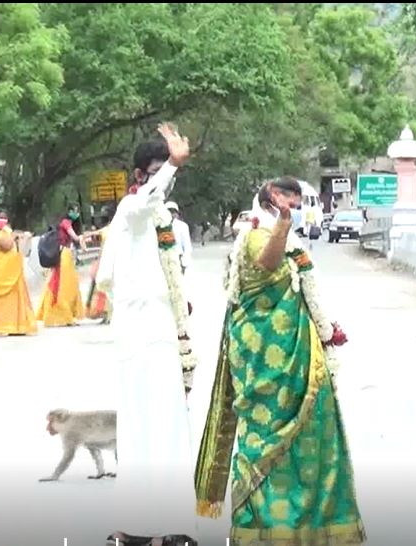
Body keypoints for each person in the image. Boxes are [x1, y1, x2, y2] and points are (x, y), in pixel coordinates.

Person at [195, 177, 366, 545]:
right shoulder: (257, 233)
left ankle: (308, 521)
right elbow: (267, 262)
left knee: (307, 440)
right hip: (265, 358)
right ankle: (265, 526)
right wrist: (285, 224)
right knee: (266, 440)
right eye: (293, 198)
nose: (300, 205)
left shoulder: (284, 235)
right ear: (275, 197)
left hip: (296, 352)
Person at [95, 123, 198, 546]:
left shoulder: (177, 227)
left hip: (165, 332)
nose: (158, 181)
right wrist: (171, 165)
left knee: (172, 427)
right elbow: (144, 204)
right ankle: (132, 528)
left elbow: (182, 280)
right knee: (140, 427)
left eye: (164, 172)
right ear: (139, 176)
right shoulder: (130, 212)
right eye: (152, 172)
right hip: (138, 334)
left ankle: (171, 528)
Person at [0, 211, 37, 337]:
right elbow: (7, 245)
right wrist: (14, 236)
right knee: (1, 298)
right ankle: (0, 326)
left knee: (17, 296)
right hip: (0, 268)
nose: (3, 220)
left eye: (5, 218)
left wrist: (24, 237)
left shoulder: (7, 230)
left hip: (12, 267)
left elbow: (16, 244)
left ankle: (17, 325)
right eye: (0, 218)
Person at [36, 204, 86, 327]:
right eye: (74, 211)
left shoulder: (68, 223)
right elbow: (74, 237)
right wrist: (82, 238)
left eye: (77, 211)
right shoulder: (65, 223)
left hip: (67, 254)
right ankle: (63, 315)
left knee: (66, 284)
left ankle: (66, 315)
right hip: (64, 255)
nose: (76, 213)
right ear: (68, 211)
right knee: (63, 284)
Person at [85, 221, 112, 324]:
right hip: (105, 261)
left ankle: (107, 313)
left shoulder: (109, 229)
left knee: (102, 288)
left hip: (107, 261)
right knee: (102, 288)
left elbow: (96, 236)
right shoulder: (110, 229)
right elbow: (96, 236)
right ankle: (106, 313)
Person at [166, 202, 192, 274]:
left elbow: (187, 245)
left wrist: (184, 262)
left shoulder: (182, 226)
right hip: (164, 258)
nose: (171, 214)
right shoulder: (159, 226)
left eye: (173, 211)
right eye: (169, 211)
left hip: (177, 258)